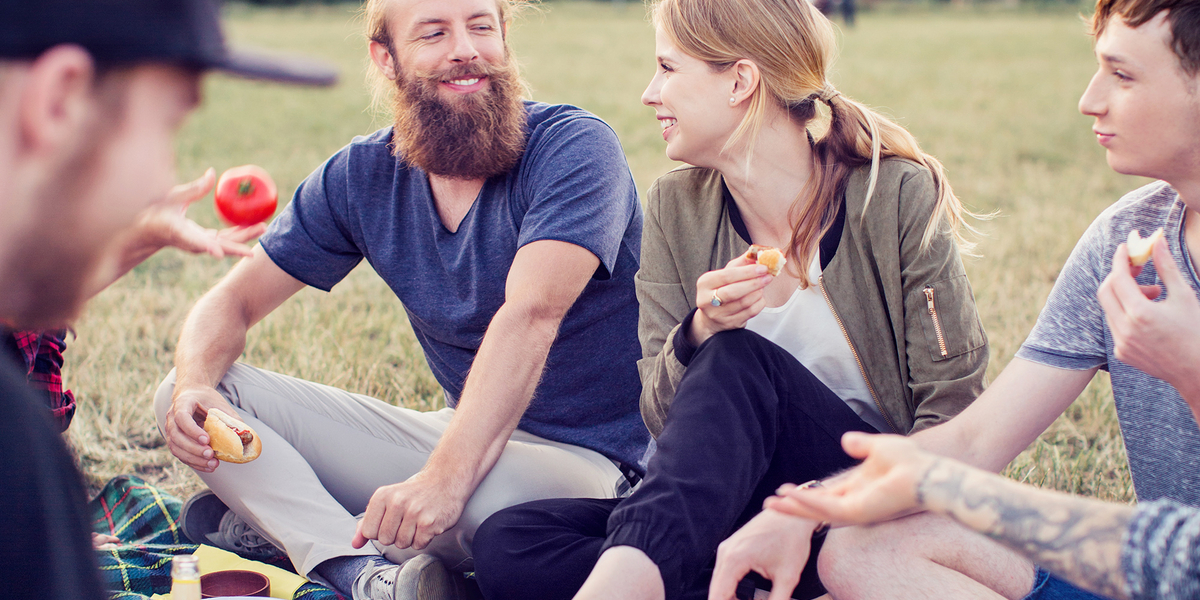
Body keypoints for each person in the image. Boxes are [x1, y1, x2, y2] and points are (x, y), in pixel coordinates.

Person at [470, 0, 987, 599]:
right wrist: (697, 333)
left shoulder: (894, 194)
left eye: (667, 68)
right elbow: (662, 420)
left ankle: (631, 583)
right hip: (728, 504)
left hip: (867, 504)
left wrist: (829, 505)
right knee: (511, 542)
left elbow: (954, 413)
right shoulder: (676, 208)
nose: (649, 93)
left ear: (740, 81)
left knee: (738, 361)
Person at [153, 0, 650, 598]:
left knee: (496, 520)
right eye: (434, 33)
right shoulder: (363, 173)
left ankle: (286, 526)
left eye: (481, 26)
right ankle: (361, 572)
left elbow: (530, 315)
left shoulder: (574, 147)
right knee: (201, 399)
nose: (465, 48)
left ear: (504, 37)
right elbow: (230, 303)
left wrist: (442, 481)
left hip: (593, 471)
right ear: (386, 59)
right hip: (459, 433)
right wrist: (194, 387)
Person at [708, 0, 1200, 599]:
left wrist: (1192, 368)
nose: (1089, 100)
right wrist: (805, 510)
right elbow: (973, 442)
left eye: (1123, 75)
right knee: (861, 551)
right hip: (1154, 573)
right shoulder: (1128, 242)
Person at [0, 1, 336, 599]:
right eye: (166, 126)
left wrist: (141, 236)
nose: (162, 175)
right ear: (60, 100)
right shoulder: (15, 443)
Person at [769, 432, 1199, 600]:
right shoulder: (1114, 248)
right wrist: (805, 508)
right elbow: (976, 439)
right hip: (1142, 563)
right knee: (852, 553)